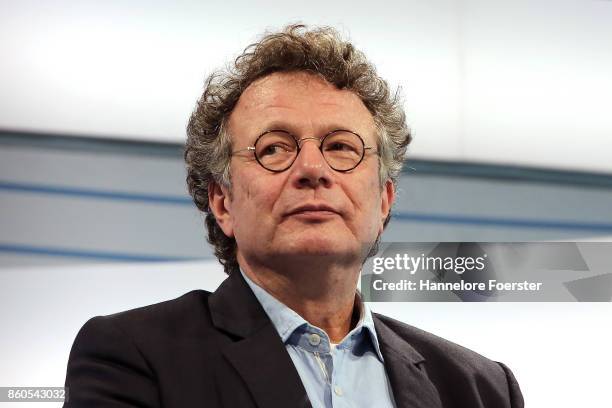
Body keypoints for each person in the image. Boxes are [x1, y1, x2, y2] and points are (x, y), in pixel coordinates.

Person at [63, 24, 524, 407]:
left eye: (341, 146)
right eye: (275, 148)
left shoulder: (480, 389)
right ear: (223, 203)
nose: (312, 170)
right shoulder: (133, 356)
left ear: (384, 200)